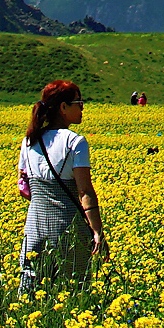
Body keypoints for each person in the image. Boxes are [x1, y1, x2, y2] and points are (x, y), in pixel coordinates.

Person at [19, 79, 109, 292]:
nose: (82, 108)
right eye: (79, 102)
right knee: (72, 291)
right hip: (68, 230)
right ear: (63, 107)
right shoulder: (75, 142)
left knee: (33, 291)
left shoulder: (29, 140)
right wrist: (97, 231)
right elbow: (85, 191)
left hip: (34, 229)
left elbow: (23, 187)